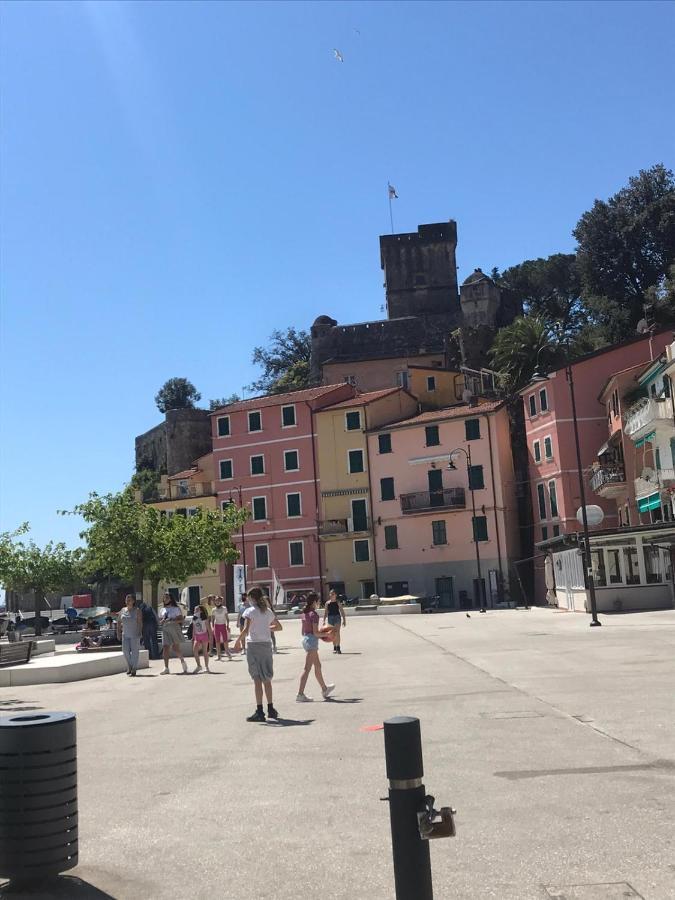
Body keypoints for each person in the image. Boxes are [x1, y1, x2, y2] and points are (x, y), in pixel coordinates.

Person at [233, 588, 282, 722]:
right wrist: (266, 628)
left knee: (257, 679)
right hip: (266, 645)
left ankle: (260, 711)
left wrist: (237, 641)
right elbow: (279, 627)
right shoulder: (267, 611)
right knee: (267, 679)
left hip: (253, 645)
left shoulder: (250, 611)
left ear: (252, 598)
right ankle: (271, 708)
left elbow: (246, 629)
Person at [297, 593, 335, 702]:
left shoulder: (304, 614)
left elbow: (303, 631)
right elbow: (316, 633)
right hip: (312, 642)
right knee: (307, 669)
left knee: (317, 665)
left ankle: (324, 689)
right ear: (314, 602)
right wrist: (327, 635)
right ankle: (300, 694)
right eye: (318, 601)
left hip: (305, 640)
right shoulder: (314, 615)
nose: (319, 603)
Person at [159, 593, 188, 675]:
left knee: (175, 648)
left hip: (174, 628)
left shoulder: (176, 608)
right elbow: (160, 620)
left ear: (171, 599)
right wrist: (162, 621)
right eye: (164, 598)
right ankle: (166, 667)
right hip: (165, 629)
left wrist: (171, 620)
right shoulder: (162, 609)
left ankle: (182, 661)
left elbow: (181, 620)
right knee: (165, 647)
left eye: (167, 597)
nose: (165, 599)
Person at [117, 595, 142, 676]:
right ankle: (129, 665)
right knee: (125, 651)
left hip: (134, 634)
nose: (127, 601)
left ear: (133, 601)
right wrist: (118, 633)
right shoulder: (122, 610)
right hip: (125, 634)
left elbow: (140, 622)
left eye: (129, 600)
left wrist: (140, 632)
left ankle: (134, 668)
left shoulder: (137, 610)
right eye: (126, 600)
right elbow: (118, 622)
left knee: (135, 652)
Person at [323, 589, 347, 654]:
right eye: (330, 594)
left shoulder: (338, 602)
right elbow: (325, 612)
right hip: (330, 618)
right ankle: (334, 647)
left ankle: (338, 647)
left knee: (337, 632)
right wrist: (324, 620)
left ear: (335, 595)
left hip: (337, 617)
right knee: (332, 633)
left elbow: (342, 611)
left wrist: (344, 620)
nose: (331, 595)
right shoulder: (327, 603)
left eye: (333, 594)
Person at [191, 604, 212, 673]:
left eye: (197, 609)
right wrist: (193, 637)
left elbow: (209, 628)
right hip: (197, 636)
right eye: (195, 610)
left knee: (205, 651)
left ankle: (206, 667)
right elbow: (194, 628)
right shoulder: (194, 618)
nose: (195, 611)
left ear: (201, 611)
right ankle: (199, 666)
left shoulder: (204, 619)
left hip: (204, 635)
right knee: (194, 650)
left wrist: (210, 636)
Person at [211, 596, 232, 661]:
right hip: (216, 626)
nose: (217, 602)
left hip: (223, 625)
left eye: (219, 601)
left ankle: (228, 653)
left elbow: (227, 618)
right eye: (216, 601)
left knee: (225, 640)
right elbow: (212, 619)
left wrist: (228, 626)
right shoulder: (213, 609)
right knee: (217, 641)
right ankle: (219, 656)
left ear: (221, 601)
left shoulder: (224, 608)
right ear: (214, 602)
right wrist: (212, 627)